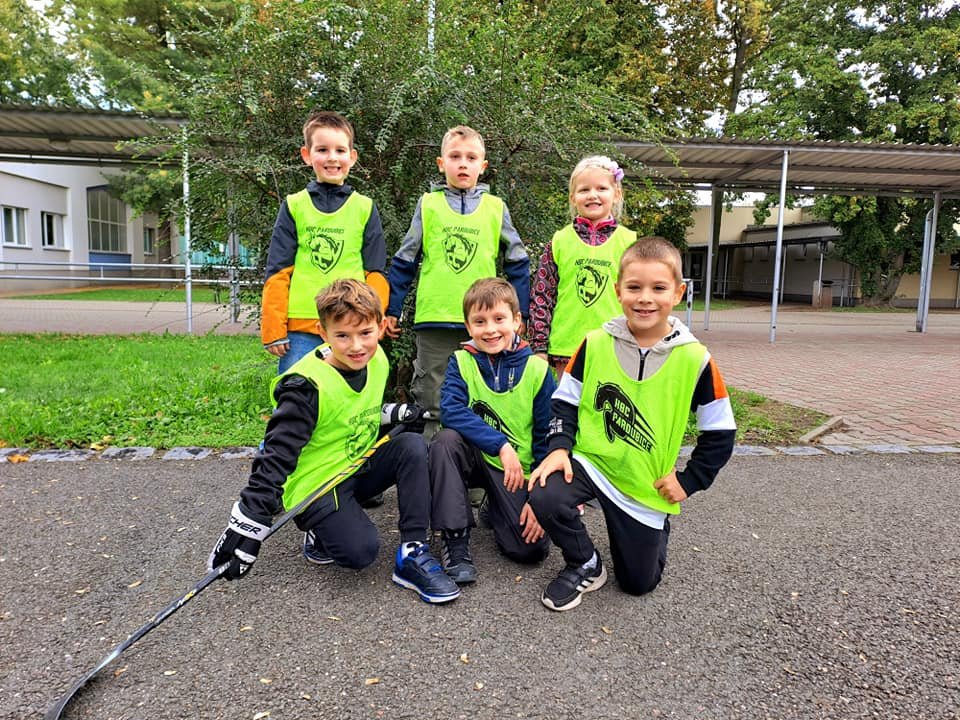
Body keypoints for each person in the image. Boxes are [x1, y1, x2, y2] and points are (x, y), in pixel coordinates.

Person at [209, 279, 460, 604]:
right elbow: (276, 455)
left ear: (380, 326)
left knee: (412, 445)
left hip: (356, 463)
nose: (357, 346)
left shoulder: (376, 360)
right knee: (360, 553)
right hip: (318, 483)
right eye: (342, 336)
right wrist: (248, 522)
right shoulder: (304, 387)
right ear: (323, 332)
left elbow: (354, 410)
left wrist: (392, 413)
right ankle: (318, 531)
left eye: (365, 333)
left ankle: (413, 551)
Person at [528, 237, 736, 611]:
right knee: (545, 491)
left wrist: (689, 481)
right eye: (634, 287)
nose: (645, 298)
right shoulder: (594, 343)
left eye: (658, 288)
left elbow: (720, 432)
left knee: (638, 584)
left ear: (678, 293)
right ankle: (585, 563)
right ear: (618, 291)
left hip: (644, 483)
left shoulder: (696, 359)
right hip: (593, 465)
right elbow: (564, 403)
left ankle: (651, 530)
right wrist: (558, 448)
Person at [384, 125, 530, 435]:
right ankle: (430, 457)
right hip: (434, 319)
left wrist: (522, 313)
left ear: (483, 166)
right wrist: (392, 308)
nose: (463, 164)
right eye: (455, 157)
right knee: (431, 397)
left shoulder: (496, 208)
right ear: (441, 164)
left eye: (471, 158)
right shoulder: (428, 205)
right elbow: (405, 259)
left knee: (482, 395)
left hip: (485, 323)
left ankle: (478, 462)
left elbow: (517, 261)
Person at [429, 278, 554, 585]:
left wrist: (540, 499)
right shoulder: (461, 361)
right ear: (468, 326)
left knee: (530, 550)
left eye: (499, 319)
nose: (490, 329)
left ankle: (495, 505)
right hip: (476, 456)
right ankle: (455, 540)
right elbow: (452, 410)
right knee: (445, 441)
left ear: (517, 321)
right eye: (480, 321)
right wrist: (500, 444)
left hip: (515, 471)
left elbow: (546, 437)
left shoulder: (538, 370)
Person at [261, 110, 388, 375]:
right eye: (322, 150)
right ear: (307, 155)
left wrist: (373, 322)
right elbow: (278, 271)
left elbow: (375, 273)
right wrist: (273, 327)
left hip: (350, 327)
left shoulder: (365, 208)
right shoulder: (294, 206)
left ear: (352, 157)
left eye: (340, 150)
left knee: (348, 393)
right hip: (301, 328)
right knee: (296, 392)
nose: (332, 157)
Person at [530, 155, 637, 379]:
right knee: (568, 401)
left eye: (602, 188)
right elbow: (542, 294)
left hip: (616, 346)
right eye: (584, 189)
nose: (592, 195)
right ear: (573, 197)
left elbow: (639, 297)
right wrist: (539, 346)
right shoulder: (559, 241)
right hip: (566, 348)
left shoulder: (630, 243)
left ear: (617, 194)